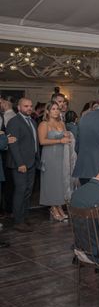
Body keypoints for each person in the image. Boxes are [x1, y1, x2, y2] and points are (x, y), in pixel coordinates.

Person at [6, 98, 40, 232]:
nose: (29, 108)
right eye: (26, 106)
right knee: (20, 191)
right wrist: (20, 163)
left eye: (31, 106)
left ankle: (24, 217)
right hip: (20, 164)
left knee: (27, 192)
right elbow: (13, 145)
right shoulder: (14, 121)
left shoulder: (32, 121)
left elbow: (34, 142)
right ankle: (18, 221)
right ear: (19, 108)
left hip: (31, 162)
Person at [38, 101, 75, 222]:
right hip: (50, 156)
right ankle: (53, 208)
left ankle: (59, 206)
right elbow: (42, 141)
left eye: (58, 109)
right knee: (51, 181)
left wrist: (68, 137)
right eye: (53, 109)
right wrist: (60, 141)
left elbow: (65, 138)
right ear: (47, 111)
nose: (56, 111)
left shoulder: (61, 123)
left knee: (61, 181)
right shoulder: (44, 124)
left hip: (62, 155)